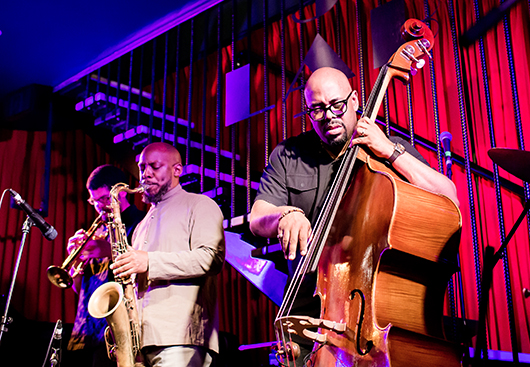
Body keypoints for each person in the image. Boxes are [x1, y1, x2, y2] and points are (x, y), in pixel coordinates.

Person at [249, 67, 459, 366]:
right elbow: (258, 218)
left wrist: (388, 150)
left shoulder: (386, 150)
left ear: (356, 99)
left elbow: (447, 195)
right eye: (318, 109)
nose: (329, 116)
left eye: (337, 104)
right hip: (306, 306)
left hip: (368, 312)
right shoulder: (289, 154)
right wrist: (285, 214)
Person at [110, 142, 226, 367]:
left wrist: (149, 261)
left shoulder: (200, 205)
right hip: (141, 343)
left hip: (180, 338)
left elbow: (211, 259)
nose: (146, 174)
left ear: (177, 170)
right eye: (142, 167)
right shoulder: (142, 224)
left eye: (154, 166)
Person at [65, 164, 146, 367]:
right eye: (94, 200)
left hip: (119, 331)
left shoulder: (140, 224)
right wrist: (75, 262)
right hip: (87, 331)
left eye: (103, 199)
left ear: (121, 193)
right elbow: (80, 290)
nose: (99, 206)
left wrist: (108, 250)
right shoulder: (98, 230)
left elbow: (143, 269)